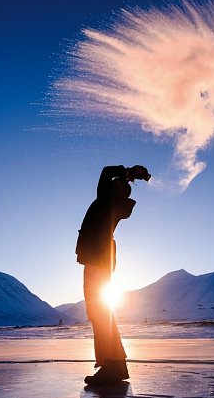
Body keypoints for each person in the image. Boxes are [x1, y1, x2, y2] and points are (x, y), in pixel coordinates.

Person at [76, 164, 150, 385]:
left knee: (100, 314)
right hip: (100, 260)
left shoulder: (106, 201)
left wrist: (125, 171)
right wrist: (128, 176)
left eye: (116, 182)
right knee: (100, 314)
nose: (114, 181)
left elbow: (105, 172)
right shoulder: (114, 204)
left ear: (117, 189)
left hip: (98, 260)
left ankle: (112, 365)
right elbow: (108, 177)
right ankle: (113, 364)